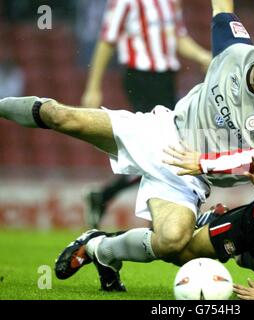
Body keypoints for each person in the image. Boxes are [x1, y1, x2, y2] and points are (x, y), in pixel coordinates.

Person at [0, 0, 254, 291]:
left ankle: (99, 248)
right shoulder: (235, 50)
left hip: (190, 175)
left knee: (173, 243)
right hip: (161, 131)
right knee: (59, 116)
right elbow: (222, 7)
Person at [55, 139, 254, 299]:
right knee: (176, 249)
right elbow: (247, 157)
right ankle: (99, 247)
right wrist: (201, 163)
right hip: (249, 224)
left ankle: (213, 221)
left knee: (237, 261)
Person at [81, 0, 212, 228]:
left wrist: (202, 56)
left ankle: (105, 196)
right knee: (163, 149)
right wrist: (93, 87)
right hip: (141, 77)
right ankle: (162, 219)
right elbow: (107, 40)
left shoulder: (171, 3)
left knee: (166, 150)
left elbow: (177, 38)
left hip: (166, 78)